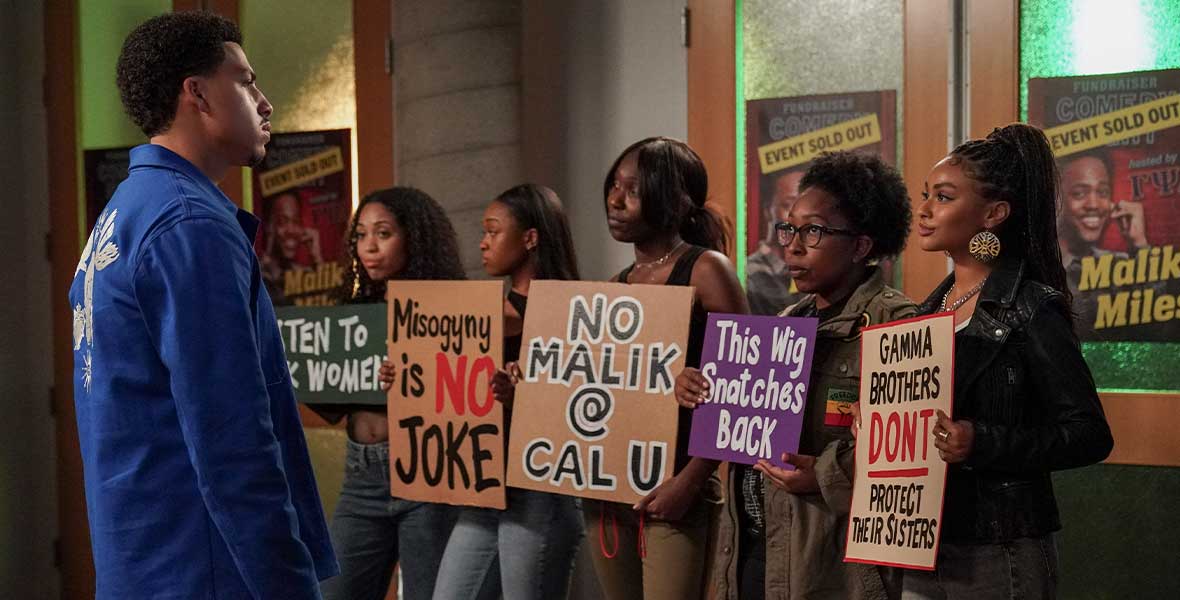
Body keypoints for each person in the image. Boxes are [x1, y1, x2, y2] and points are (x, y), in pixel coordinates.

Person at [69, 11, 336, 599]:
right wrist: (289, 586)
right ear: (198, 93)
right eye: (245, 81)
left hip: (143, 561)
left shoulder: (124, 211)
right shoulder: (188, 225)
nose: (264, 103)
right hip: (204, 565)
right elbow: (232, 439)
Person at [676, 150, 916, 600]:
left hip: (833, 566)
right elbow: (745, 436)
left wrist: (824, 475)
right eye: (789, 228)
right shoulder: (786, 320)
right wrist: (701, 391)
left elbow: (907, 455)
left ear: (862, 245)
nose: (793, 245)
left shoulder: (895, 323)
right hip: (754, 549)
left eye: (814, 231)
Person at [904, 123, 1114, 598]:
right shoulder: (925, 313)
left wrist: (981, 441)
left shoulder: (1032, 308)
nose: (924, 210)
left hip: (999, 545)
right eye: (926, 195)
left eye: (943, 197)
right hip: (920, 539)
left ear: (993, 214)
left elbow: (1089, 435)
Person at [585, 137, 748, 600]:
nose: (615, 200)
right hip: (607, 495)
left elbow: (745, 384)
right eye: (614, 186)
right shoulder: (615, 287)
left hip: (676, 491)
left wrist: (691, 481)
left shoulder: (705, 270)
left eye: (633, 189)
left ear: (676, 200)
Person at [425, 184, 585, 600]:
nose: (482, 242)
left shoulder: (576, 314)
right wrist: (409, 374)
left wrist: (524, 397)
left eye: (493, 231)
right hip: (484, 482)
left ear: (530, 239)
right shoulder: (478, 317)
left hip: (539, 489)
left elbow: (588, 406)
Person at [319, 187, 465, 600]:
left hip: (425, 471)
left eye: (383, 234)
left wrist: (419, 371)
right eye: (361, 235)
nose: (369, 246)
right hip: (361, 474)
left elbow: (468, 391)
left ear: (413, 239)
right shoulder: (353, 309)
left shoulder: (448, 308)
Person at [747, 170, 806, 315]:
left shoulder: (819, 268)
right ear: (768, 211)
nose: (799, 216)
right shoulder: (748, 274)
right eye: (788, 205)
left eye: (805, 207)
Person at [260, 190, 322, 302]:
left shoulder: (305, 275)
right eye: (282, 222)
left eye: (296, 221)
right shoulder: (255, 274)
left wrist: (317, 257)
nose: (291, 230)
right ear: (269, 227)